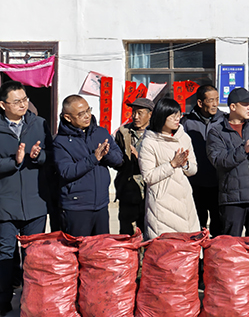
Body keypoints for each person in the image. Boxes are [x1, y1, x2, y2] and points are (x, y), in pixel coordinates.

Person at [0, 82, 51, 316]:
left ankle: (31, 303)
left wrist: (38, 156)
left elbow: (51, 156)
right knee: (5, 254)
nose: (23, 105)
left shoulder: (39, 123)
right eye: (17, 101)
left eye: (25, 100)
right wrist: (14, 161)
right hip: (5, 203)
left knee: (33, 255)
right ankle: (3, 302)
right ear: (3, 105)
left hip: (35, 202)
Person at [208, 88, 249, 237]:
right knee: (231, 246)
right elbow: (219, 161)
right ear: (233, 107)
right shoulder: (217, 131)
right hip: (232, 200)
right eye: (245, 104)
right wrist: (243, 149)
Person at [53, 95, 123, 237]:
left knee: (101, 247)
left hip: (101, 204)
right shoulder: (60, 142)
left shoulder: (100, 132)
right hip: (76, 207)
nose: (87, 116)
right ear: (68, 117)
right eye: (81, 114)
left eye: (88, 110)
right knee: (79, 248)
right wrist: (93, 158)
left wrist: (106, 154)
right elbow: (66, 171)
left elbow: (119, 161)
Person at [138, 98, 198, 240]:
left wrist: (185, 164)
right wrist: (172, 164)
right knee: (166, 248)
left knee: (187, 246)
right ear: (162, 116)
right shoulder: (149, 142)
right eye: (173, 116)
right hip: (162, 204)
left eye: (179, 115)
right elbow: (148, 176)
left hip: (184, 199)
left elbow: (193, 169)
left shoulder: (184, 137)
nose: (177, 119)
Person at [182, 84, 224, 237]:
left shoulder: (224, 121)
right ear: (200, 103)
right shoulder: (187, 122)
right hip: (195, 183)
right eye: (210, 100)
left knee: (219, 225)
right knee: (196, 225)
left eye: (217, 99)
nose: (215, 104)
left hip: (218, 182)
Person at [114, 97, 153, 235]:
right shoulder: (123, 132)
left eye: (140, 113)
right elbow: (117, 160)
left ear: (150, 114)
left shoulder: (156, 133)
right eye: (134, 112)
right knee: (126, 232)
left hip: (148, 191)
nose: (135, 116)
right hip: (127, 189)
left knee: (147, 231)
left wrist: (141, 159)